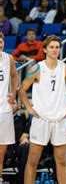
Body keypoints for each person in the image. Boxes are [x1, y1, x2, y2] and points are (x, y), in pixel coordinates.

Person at [18, 35, 66, 184]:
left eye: (57, 47)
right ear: (44, 49)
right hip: (41, 119)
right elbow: (22, 90)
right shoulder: (37, 68)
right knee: (33, 161)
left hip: (60, 119)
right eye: (51, 47)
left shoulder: (65, 68)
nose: (54, 50)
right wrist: (29, 108)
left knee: (62, 161)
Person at [0, 33, 19, 182]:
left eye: (1, 42)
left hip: (4, 109)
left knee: (1, 153)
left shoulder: (8, 58)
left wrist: (13, 92)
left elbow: (14, 76)